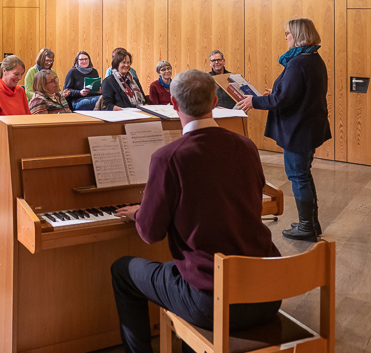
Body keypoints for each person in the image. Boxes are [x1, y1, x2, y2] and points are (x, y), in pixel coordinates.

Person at [111, 69, 281, 353]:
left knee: (122, 270)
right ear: (215, 103)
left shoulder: (169, 157)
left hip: (210, 301)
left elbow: (151, 233)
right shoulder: (246, 146)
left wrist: (139, 213)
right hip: (266, 294)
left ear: (174, 105)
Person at [237, 18, 330, 242]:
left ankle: (307, 227)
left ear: (298, 35)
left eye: (288, 34)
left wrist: (256, 100)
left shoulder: (299, 62)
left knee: (298, 177)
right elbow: (295, 92)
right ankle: (312, 224)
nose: (285, 37)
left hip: (298, 129)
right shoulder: (313, 58)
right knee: (303, 176)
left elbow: (284, 99)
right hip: (308, 127)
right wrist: (276, 91)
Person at [0, 55, 30, 133]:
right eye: (16, 74)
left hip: (22, 133)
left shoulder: (20, 91)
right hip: (6, 136)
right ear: (4, 71)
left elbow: (28, 116)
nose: (20, 78)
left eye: (21, 74)